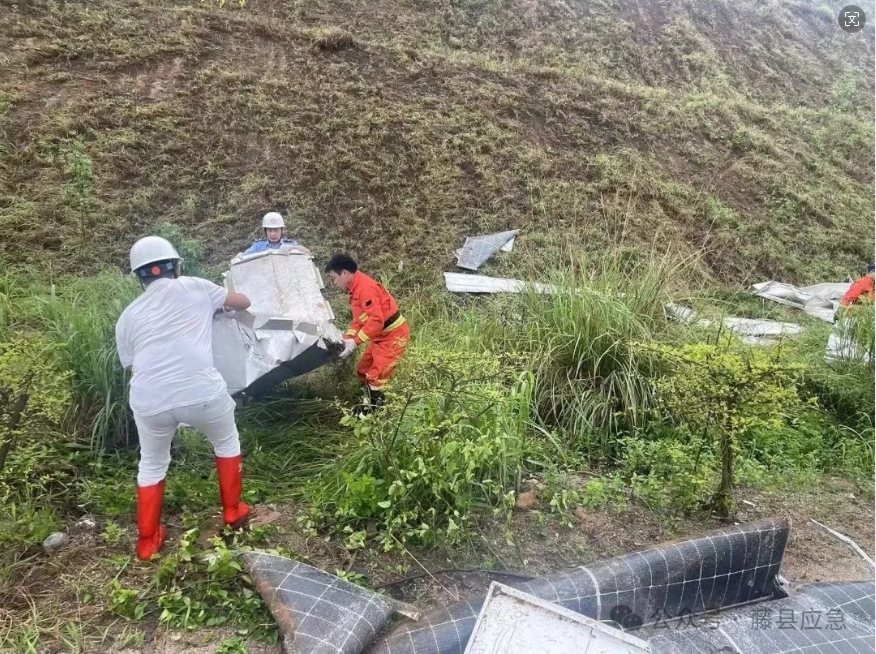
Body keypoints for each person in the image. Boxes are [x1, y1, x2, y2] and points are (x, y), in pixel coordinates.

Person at [116, 236, 253, 560]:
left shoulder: (127, 317)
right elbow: (243, 302)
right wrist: (214, 307)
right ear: (177, 266)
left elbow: (134, 366)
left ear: (140, 276)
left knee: (151, 463)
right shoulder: (195, 287)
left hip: (149, 400)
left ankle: (148, 542)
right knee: (226, 441)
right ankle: (233, 512)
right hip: (201, 393)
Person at [325, 253, 410, 411]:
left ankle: (373, 414)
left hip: (393, 337)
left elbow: (376, 323)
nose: (334, 283)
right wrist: (346, 338)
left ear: (344, 273)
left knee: (376, 377)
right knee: (363, 370)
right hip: (380, 337)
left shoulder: (365, 288)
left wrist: (355, 342)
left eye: (334, 278)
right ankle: (366, 401)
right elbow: (359, 321)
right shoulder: (355, 288)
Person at [243, 212, 311, 255]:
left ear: (282, 230)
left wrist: (293, 247)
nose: (273, 234)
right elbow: (243, 257)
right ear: (265, 231)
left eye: (276, 230)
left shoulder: (289, 244)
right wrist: (239, 256)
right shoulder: (258, 246)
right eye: (269, 230)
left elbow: (309, 253)